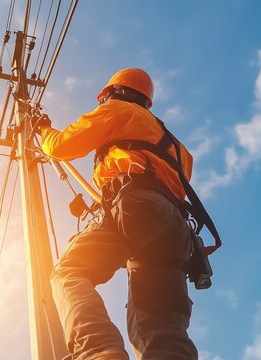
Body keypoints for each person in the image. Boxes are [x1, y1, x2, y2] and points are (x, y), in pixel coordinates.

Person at [37, 68, 198, 359]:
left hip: (134, 205)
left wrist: (43, 130)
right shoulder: (178, 148)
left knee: (70, 271)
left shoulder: (117, 110)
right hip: (176, 228)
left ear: (110, 93)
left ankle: (100, 351)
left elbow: (62, 147)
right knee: (162, 326)